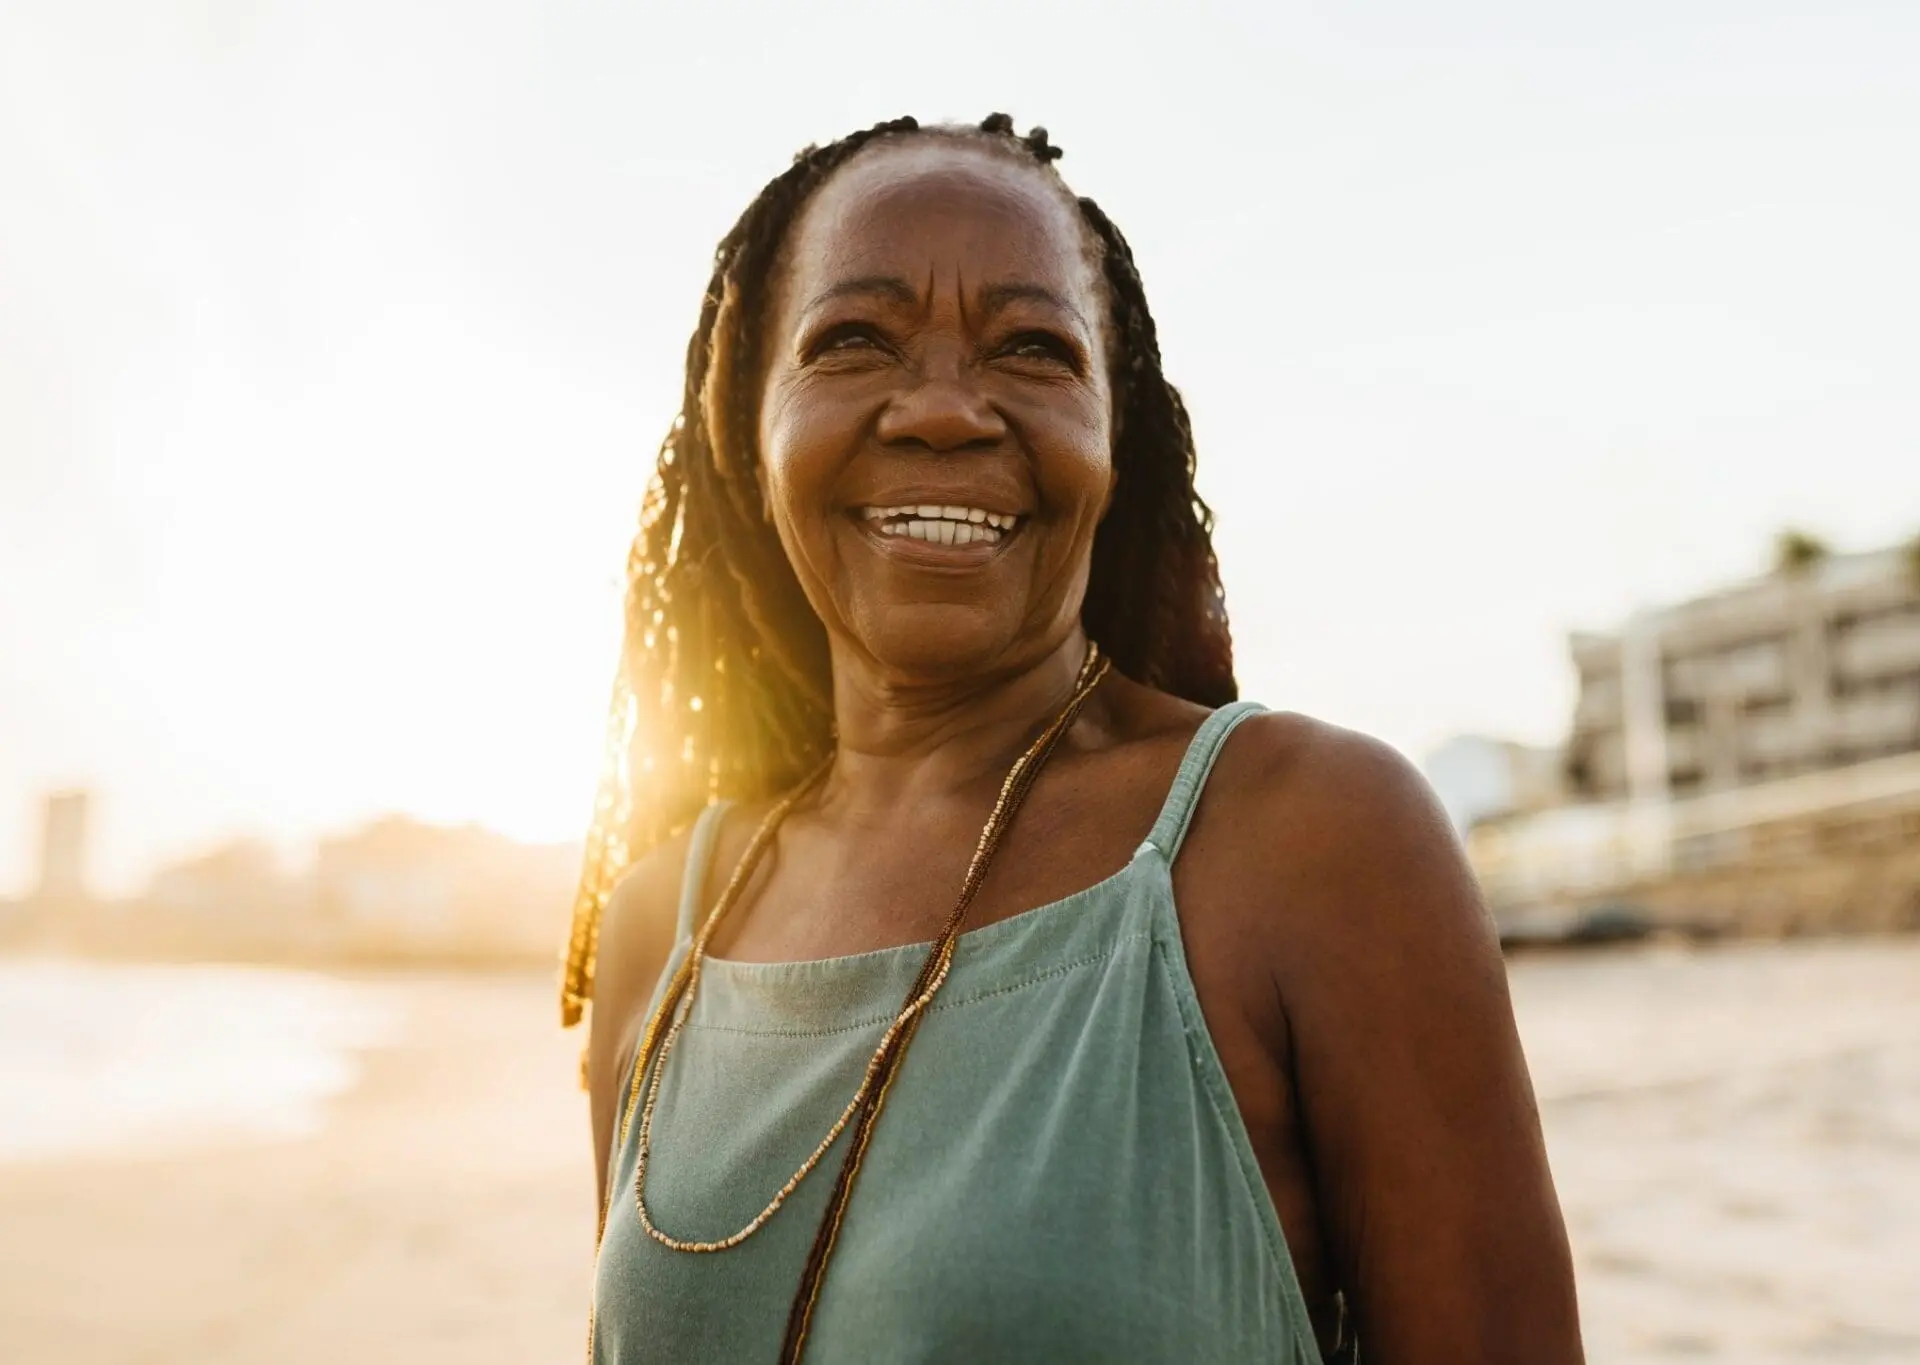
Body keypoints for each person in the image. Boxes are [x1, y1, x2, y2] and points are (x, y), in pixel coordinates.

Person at [562, 113, 1583, 1364]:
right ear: (747, 427)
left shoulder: (1313, 843)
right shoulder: (659, 930)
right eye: (854, 340)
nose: (942, 408)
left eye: (1033, 348)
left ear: (1118, 431)